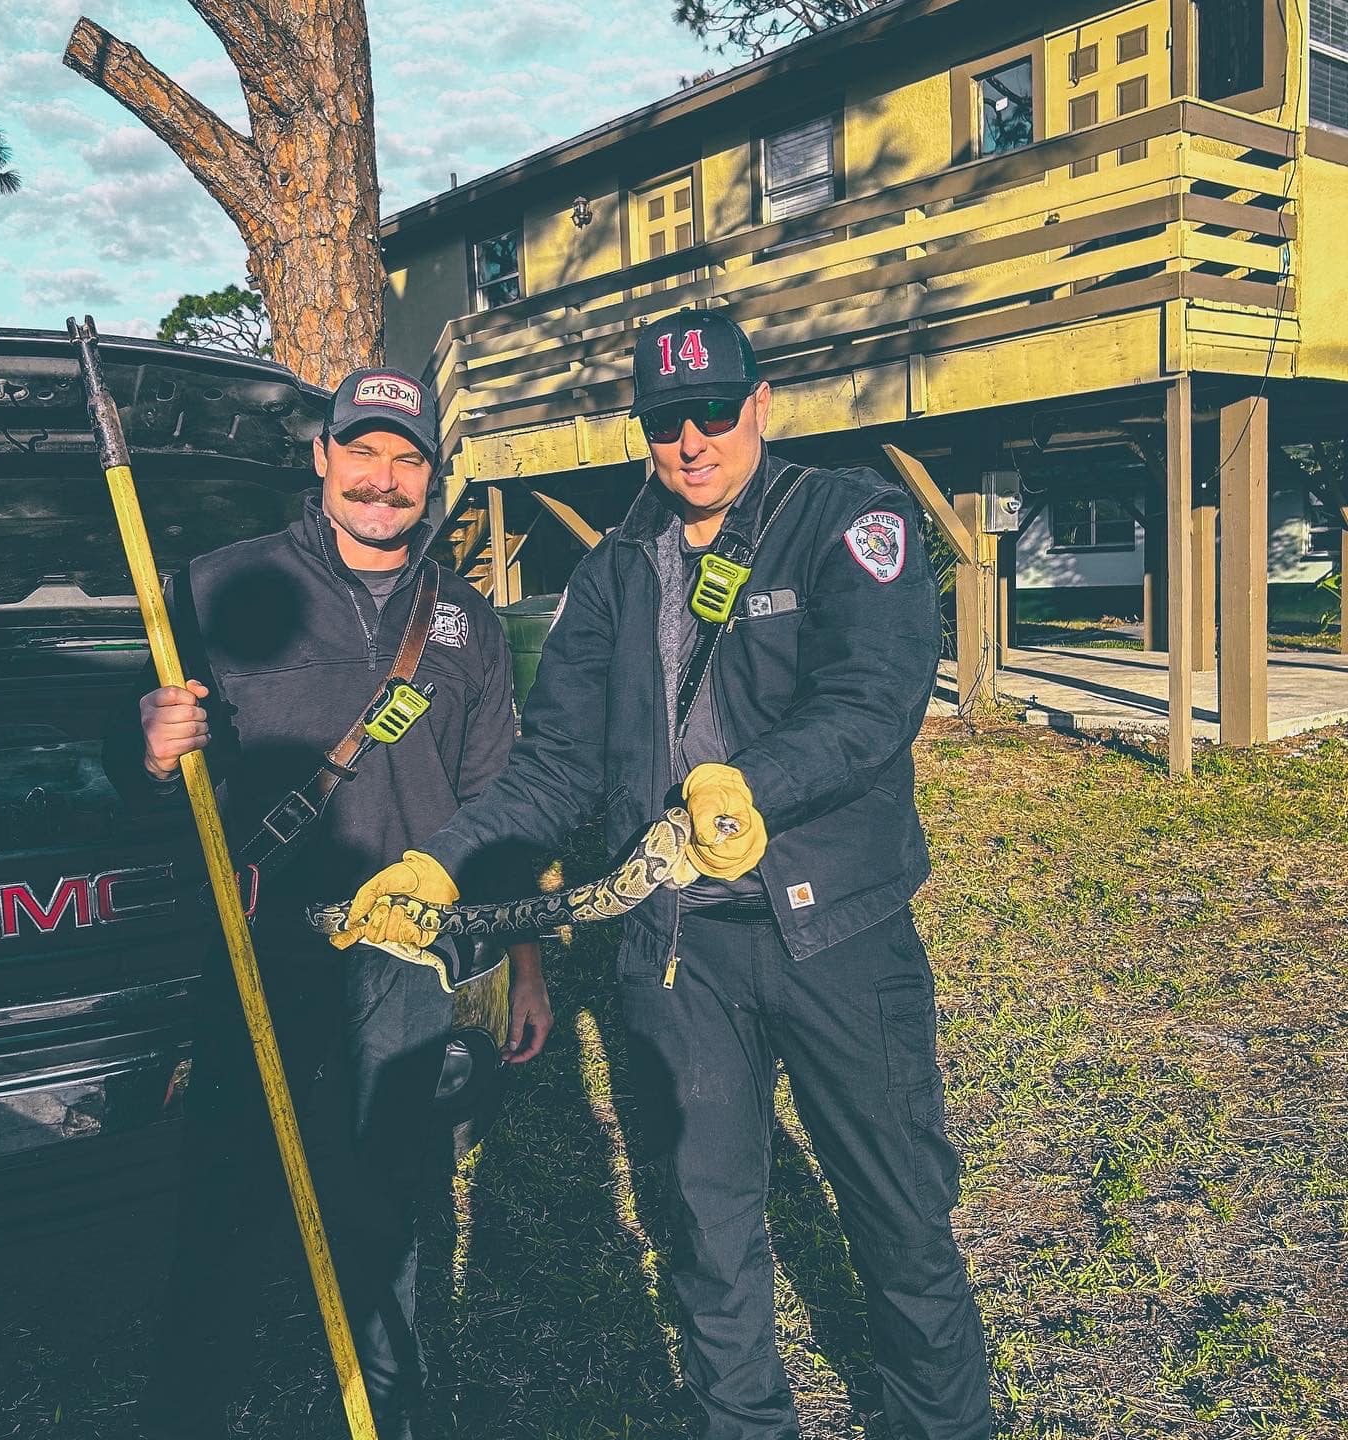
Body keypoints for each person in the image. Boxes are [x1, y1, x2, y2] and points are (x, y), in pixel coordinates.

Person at [342, 310, 992, 1439]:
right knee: (705, 1221)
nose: (690, 441)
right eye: (664, 421)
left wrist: (752, 785)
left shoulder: (848, 521)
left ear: (759, 404)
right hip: (676, 946)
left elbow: (871, 700)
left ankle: (941, 1423)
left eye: (711, 411)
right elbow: (554, 764)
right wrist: (443, 866)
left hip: (833, 933)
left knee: (899, 1210)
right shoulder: (613, 571)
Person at [102, 364, 551, 1440]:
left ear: (432, 479)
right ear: (323, 458)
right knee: (224, 1195)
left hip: (407, 959)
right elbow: (127, 758)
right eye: (364, 452)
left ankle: (391, 1411)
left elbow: (501, 796)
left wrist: (524, 958)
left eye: (407, 460)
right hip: (263, 950)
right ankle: (185, 1410)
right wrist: (151, 750)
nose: (383, 480)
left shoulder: (469, 626)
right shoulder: (223, 586)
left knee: (388, 1199)